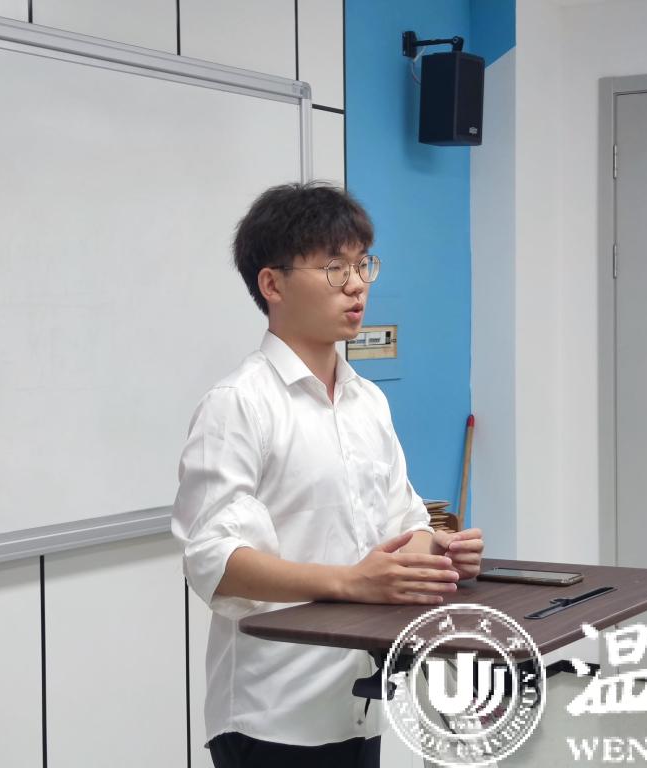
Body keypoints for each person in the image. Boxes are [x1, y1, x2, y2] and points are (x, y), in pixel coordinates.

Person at [171, 182, 485, 768]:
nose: (357, 284)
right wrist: (351, 582)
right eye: (334, 268)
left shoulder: (367, 401)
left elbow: (404, 522)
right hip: (274, 712)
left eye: (363, 264)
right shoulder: (239, 404)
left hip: (357, 699)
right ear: (273, 284)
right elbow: (215, 562)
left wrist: (435, 557)